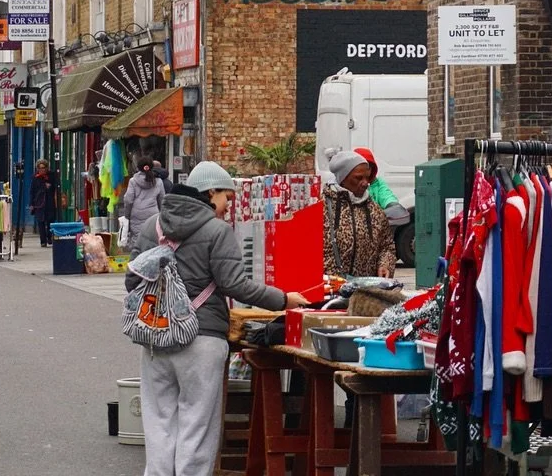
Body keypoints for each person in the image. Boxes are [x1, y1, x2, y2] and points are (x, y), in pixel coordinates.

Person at [125, 161, 310, 476]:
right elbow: (234, 285)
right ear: (210, 192)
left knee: (158, 421)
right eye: (226, 196)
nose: (229, 205)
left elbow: (132, 281)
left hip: (155, 338)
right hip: (202, 338)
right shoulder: (216, 230)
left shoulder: (151, 226)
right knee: (197, 422)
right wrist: (283, 299)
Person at [323, 150, 398, 279]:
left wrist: (386, 264)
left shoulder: (375, 210)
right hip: (330, 292)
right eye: (358, 178)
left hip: (365, 293)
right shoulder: (321, 209)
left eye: (367, 177)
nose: (365, 183)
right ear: (343, 178)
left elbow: (387, 247)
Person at [120, 156, 164, 247]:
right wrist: (161, 214)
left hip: (136, 216)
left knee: (137, 242)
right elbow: (162, 200)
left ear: (138, 167)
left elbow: (128, 200)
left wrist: (127, 215)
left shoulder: (133, 181)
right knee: (153, 241)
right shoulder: (158, 181)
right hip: (154, 216)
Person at [29, 159, 58, 248]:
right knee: (40, 222)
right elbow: (32, 191)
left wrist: (50, 186)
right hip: (39, 203)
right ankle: (43, 241)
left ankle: (49, 237)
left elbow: (56, 187)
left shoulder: (51, 176)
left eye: (44, 168)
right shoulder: (35, 178)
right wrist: (31, 204)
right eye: (40, 168)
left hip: (49, 202)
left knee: (50, 220)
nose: (42, 170)